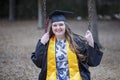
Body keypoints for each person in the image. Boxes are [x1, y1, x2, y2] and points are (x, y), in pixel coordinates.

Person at [31, 10, 103, 80]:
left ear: (65, 26)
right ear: (51, 27)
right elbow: (38, 63)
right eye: (55, 25)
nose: (58, 28)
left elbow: (93, 62)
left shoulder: (77, 41)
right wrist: (42, 43)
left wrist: (91, 43)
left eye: (61, 24)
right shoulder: (47, 43)